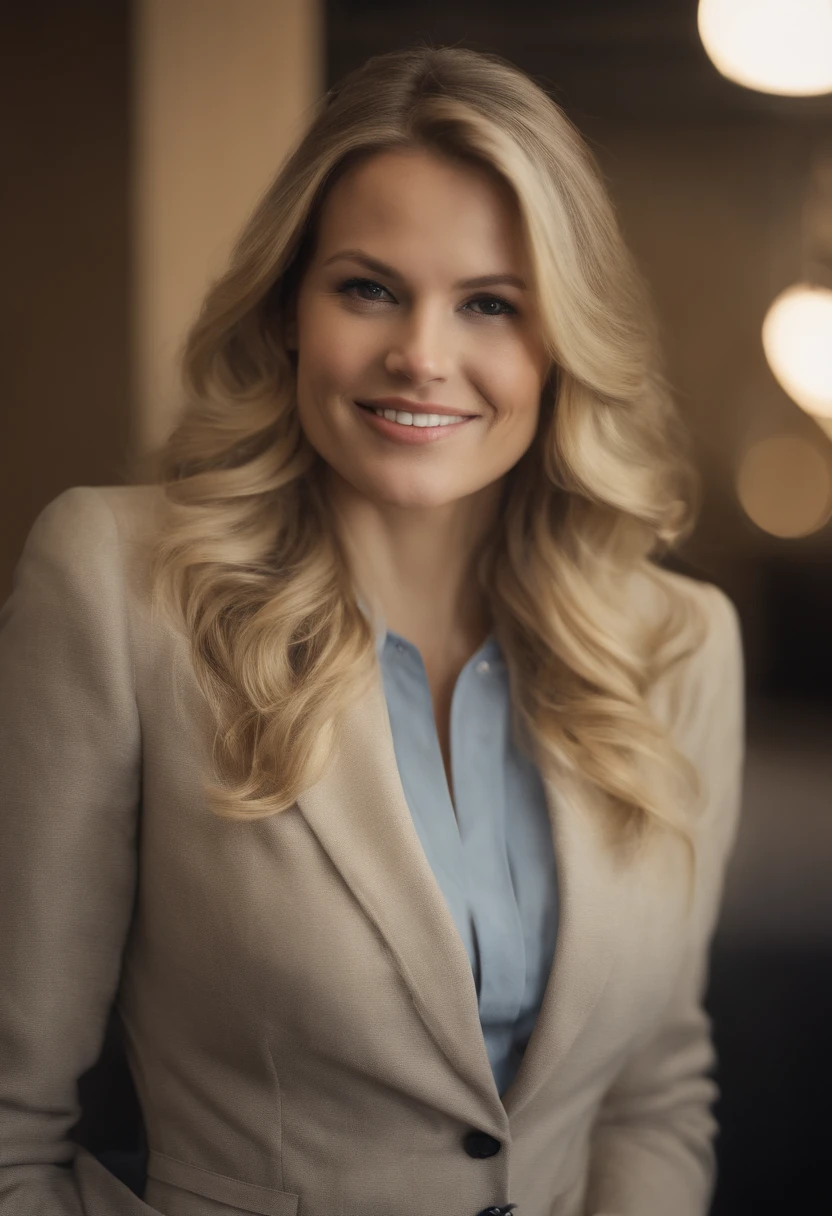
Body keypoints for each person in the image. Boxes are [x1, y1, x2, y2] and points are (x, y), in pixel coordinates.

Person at [0, 43, 744, 1216]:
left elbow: (652, 1096)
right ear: (291, 308)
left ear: (560, 347)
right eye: (368, 287)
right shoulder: (114, 584)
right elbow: (10, 1130)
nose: (422, 355)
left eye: (490, 304)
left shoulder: (680, 645)